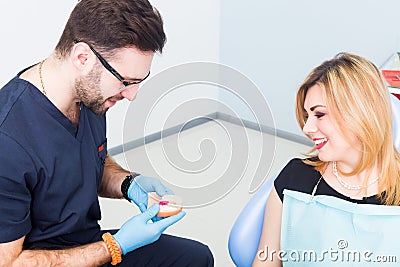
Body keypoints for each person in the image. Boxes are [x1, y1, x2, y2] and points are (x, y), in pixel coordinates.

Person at [0, 0, 214, 266]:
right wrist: (115, 245)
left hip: (86, 242)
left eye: (139, 82)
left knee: (195, 258)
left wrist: (128, 183)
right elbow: (9, 262)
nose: (132, 95)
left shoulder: (90, 98)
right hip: (45, 259)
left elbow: (86, 160)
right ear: (83, 58)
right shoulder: (8, 139)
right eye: (126, 81)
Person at [253, 52, 400, 266]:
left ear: (361, 112)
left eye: (319, 115)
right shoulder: (295, 179)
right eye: (307, 116)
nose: (307, 128)